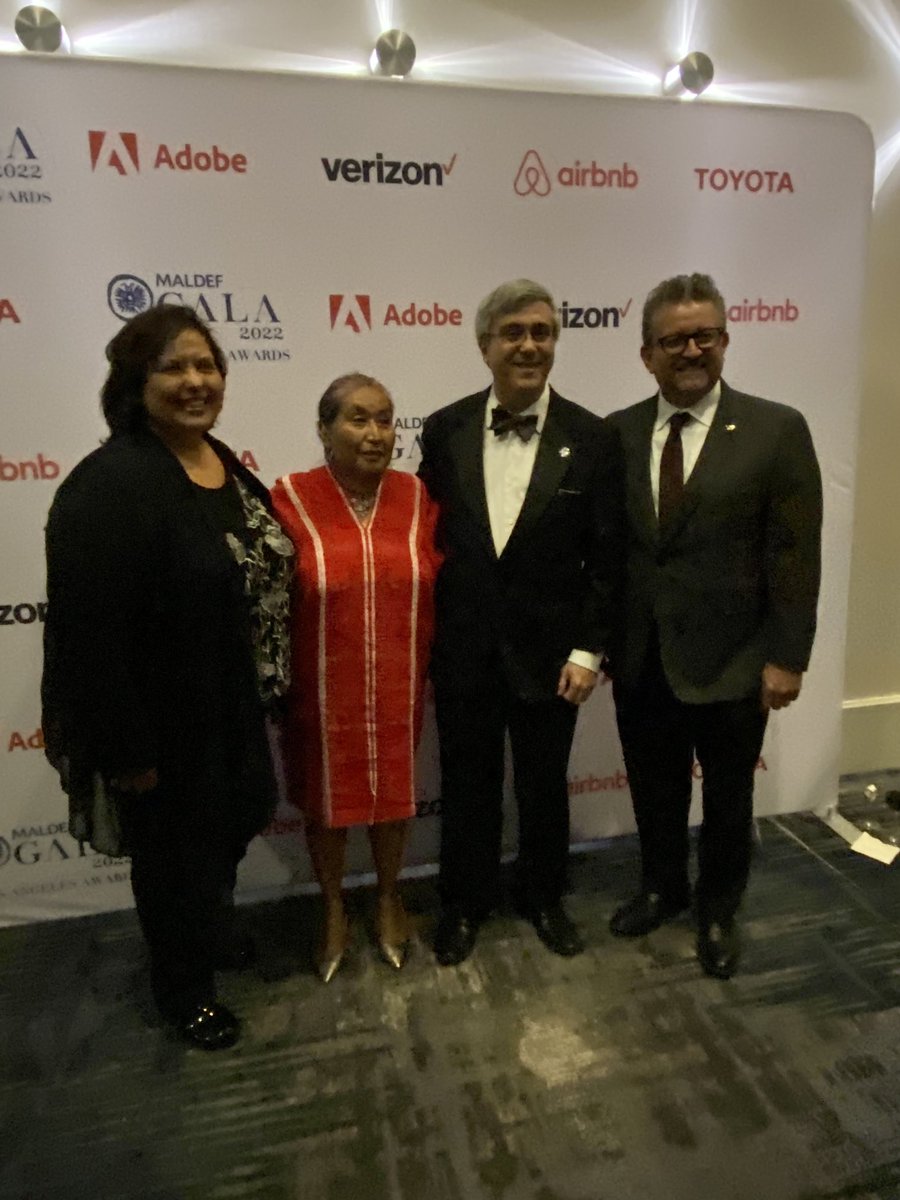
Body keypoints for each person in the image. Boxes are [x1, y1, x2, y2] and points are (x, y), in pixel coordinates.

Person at [42, 305, 293, 1049]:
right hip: (160, 726)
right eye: (174, 367)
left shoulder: (219, 461)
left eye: (207, 365)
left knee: (227, 830)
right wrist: (127, 752)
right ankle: (182, 989)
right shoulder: (109, 485)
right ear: (133, 382)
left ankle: (210, 934)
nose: (196, 381)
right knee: (172, 862)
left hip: (233, 705)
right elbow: (89, 636)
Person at [606, 272, 823, 979]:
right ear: (647, 354)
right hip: (643, 657)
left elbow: (794, 554)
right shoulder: (618, 433)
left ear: (725, 341)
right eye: (674, 339)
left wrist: (788, 657)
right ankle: (663, 887)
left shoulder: (777, 429)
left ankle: (718, 909)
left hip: (736, 660)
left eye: (704, 336)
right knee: (654, 788)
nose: (691, 349)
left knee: (729, 798)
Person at [418, 279, 624, 965]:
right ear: (486, 346)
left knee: (542, 784)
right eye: (514, 332)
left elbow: (608, 555)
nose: (529, 344)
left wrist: (590, 650)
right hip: (465, 650)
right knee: (467, 785)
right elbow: (429, 541)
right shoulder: (443, 430)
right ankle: (464, 904)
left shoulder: (592, 437)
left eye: (541, 331)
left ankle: (543, 896)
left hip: (551, 655)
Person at [271, 374, 441, 982]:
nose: (376, 434)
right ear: (324, 430)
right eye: (358, 419)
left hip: (398, 679)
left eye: (385, 419)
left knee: (393, 793)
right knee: (325, 801)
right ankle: (334, 908)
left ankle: (390, 897)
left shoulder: (418, 498)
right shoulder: (288, 497)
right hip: (320, 688)